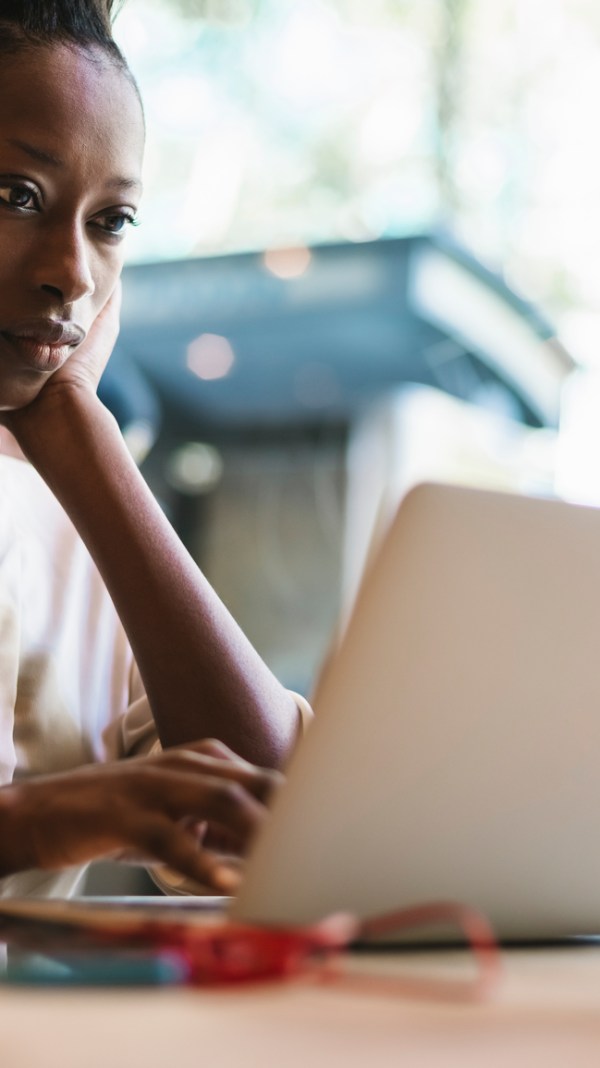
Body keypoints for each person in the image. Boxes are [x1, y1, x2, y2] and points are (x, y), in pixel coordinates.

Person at [0, 0, 311, 899]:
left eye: (112, 221)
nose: (73, 272)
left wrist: (80, 435)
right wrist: (39, 821)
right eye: (16, 196)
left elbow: (272, 825)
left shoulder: (68, 517)